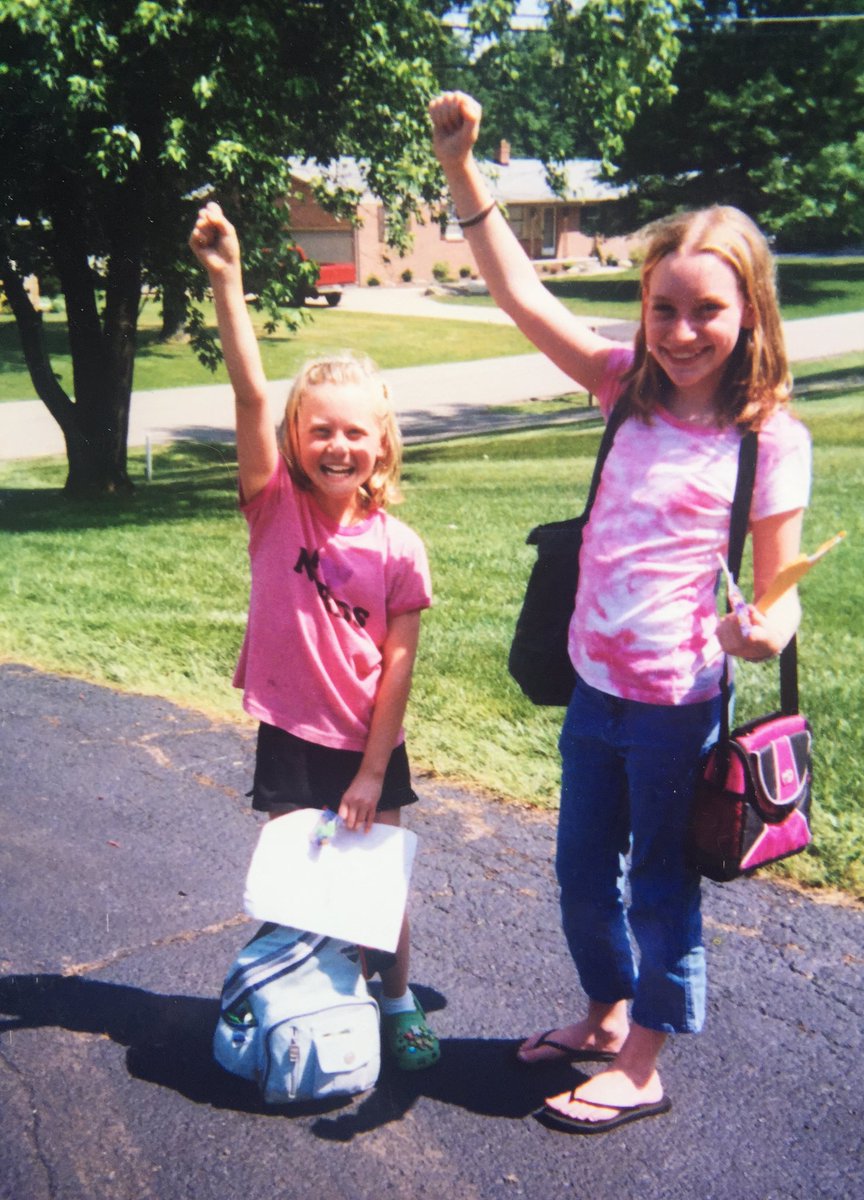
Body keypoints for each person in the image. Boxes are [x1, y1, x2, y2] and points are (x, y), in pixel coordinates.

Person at [429, 92, 811, 1132]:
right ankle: (602, 1016)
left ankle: (643, 1058)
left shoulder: (768, 436)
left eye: (707, 311)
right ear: (641, 312)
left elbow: (777, 597)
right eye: (663, 309)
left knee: (661, 885)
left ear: (750, 317)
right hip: (594, 688)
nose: (683, 332)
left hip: (682, 703)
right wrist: (462, 168)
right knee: (579, 871)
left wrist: (759, 632)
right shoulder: (622, 389)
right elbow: (517, 293)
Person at [189, 201, 440, 1071]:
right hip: (292, 735)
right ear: (297, 440)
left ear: (382, 444)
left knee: (378, 884)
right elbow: (251, 391)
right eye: (319, 430)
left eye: (355, 433)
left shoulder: (400, 548)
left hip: (368, 743)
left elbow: (398, 667)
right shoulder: (274, 510)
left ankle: (397, 997)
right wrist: (228, 282)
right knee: (303, 881)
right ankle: (313, 997)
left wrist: (374, 769)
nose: (338, 445)